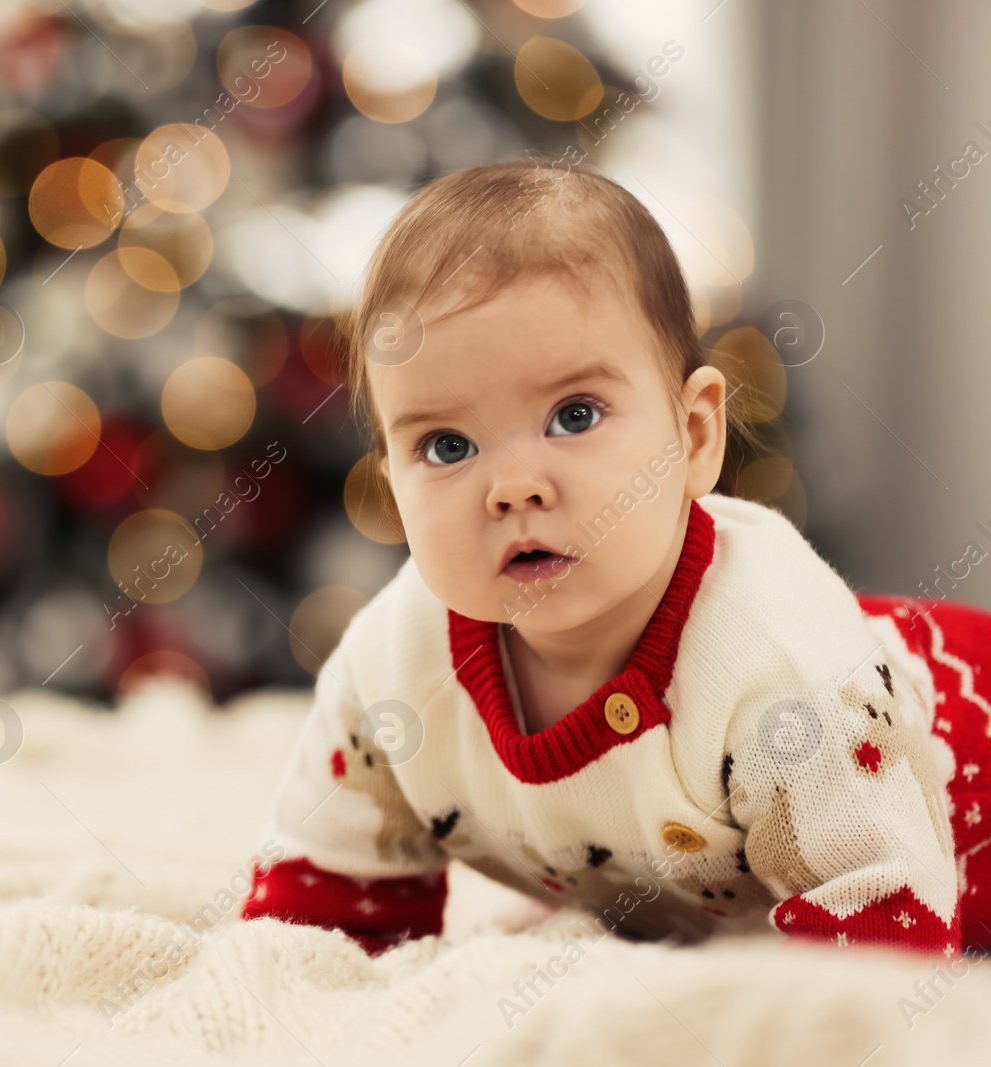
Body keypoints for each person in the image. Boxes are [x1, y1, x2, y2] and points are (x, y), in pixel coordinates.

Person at [239, 159, 991, 958]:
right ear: (395, 494)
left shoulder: (784, 666)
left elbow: (878, 939)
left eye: (575, 415)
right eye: (447, 445)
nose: (514, 487)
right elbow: (315, 915)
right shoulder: (391, 671)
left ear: (695, 435)